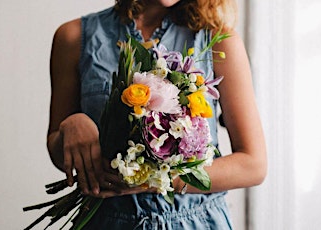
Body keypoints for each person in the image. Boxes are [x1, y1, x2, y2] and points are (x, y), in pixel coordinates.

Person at [47, 0, 267, 229]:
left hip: (197, 222)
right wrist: (70, 126)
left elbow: (253, 164)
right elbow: (56, 152)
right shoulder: (73, 38)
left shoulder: (218, 41)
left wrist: (154, 180)